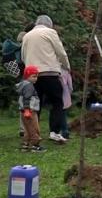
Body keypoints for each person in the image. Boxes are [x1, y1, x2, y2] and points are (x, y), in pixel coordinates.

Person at [21, 15, 71, 144]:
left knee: (34, 105)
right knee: (57, 102)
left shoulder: (27, 35)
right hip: (50, 73)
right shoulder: (50, 32)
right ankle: (54, 132)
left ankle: (32, 134)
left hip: (32, 75)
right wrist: (67, 66)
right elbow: (60, 52)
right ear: (49, 24)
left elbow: (23, 56)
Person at [16, 65, 45, 153]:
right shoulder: (29, 86)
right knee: (34, 128)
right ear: (27, 76)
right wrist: (27, 109)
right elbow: (27, 98)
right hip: (29, 111)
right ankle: (35, 146)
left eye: (36, 76)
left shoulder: (24, 84)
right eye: (33, 76)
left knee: (27, 129)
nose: (36, 78)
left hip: (24, 111)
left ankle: (26, 145)